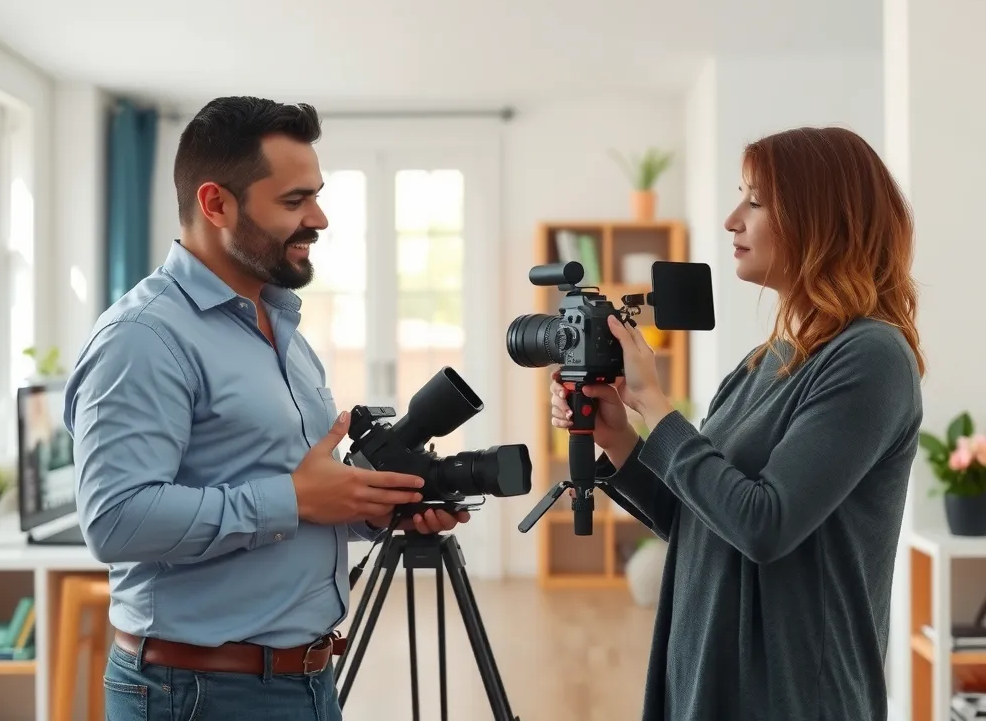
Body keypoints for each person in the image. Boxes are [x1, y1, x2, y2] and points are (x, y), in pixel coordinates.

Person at [63, 96, 469, 721]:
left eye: (317, 195)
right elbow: (116, 520)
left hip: (306, 680)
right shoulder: (143, 338)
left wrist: (369, 509)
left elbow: (294, 497)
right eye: (293, 201)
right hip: (196, 694)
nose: (321, 218)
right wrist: (296, 498)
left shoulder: (282, 329)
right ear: (215, 203)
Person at [551, 126, 924, 721]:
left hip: (792, 691)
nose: (731, 220)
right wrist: (620, 438)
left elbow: (765, 525)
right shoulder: (765, 361)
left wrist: (661, 408)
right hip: (705, 670)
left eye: (755, 200)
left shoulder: (870, 358)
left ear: (819, 218)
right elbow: (699, 523)